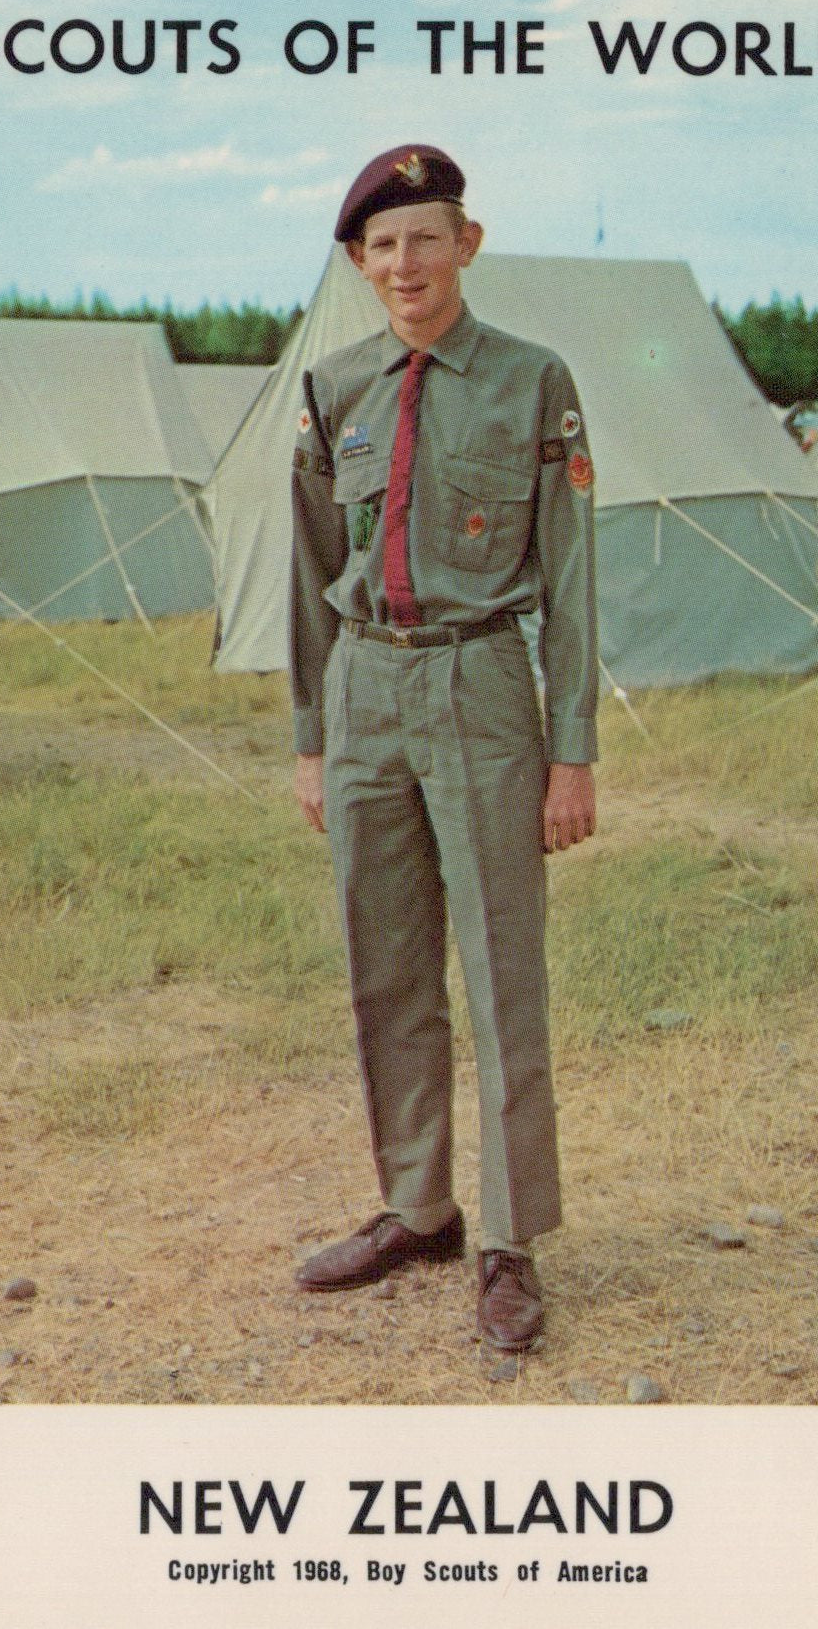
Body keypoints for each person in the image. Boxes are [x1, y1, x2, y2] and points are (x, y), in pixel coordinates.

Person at [289, 144, 597, 1352]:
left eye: (426, 237)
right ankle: (418, 1206)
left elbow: (571, 579)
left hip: (479, 679)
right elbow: (311, 575)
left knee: (498, 966)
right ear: (360, 265)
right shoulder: (334, 386)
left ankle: (513, 1243)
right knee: (388, 961)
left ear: (467, 244)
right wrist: (313, 742)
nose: (405, 264)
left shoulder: (534, 381)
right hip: (365, 683)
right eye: (382, 246)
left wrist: (571, 751)